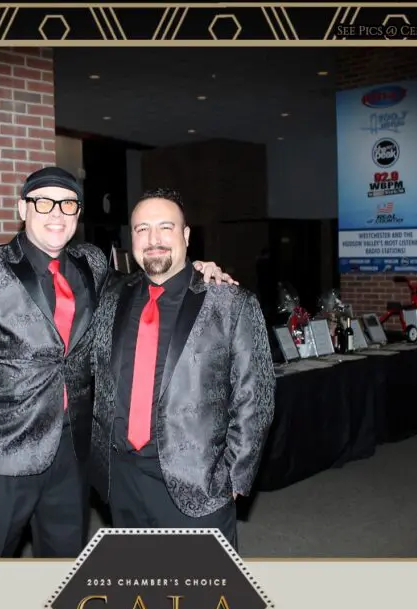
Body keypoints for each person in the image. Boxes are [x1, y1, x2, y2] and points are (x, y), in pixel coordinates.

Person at [0, 167, 231, 558]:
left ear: (78, 214)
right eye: (43, 203)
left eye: (67, 204)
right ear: (23, 209)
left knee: (64, 562)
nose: (56, 213)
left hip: (72, 453)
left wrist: (195, 270)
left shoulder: (92, 263)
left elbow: (143, 285)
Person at [88, 188, 276, 551]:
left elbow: (257, 397)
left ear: (186, 235)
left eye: (166, 227)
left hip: (197, 481)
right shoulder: (112, 297)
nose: (154, 239)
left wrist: (233, 477)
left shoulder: (230, 302)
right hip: (121, 477)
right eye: (142, 229)